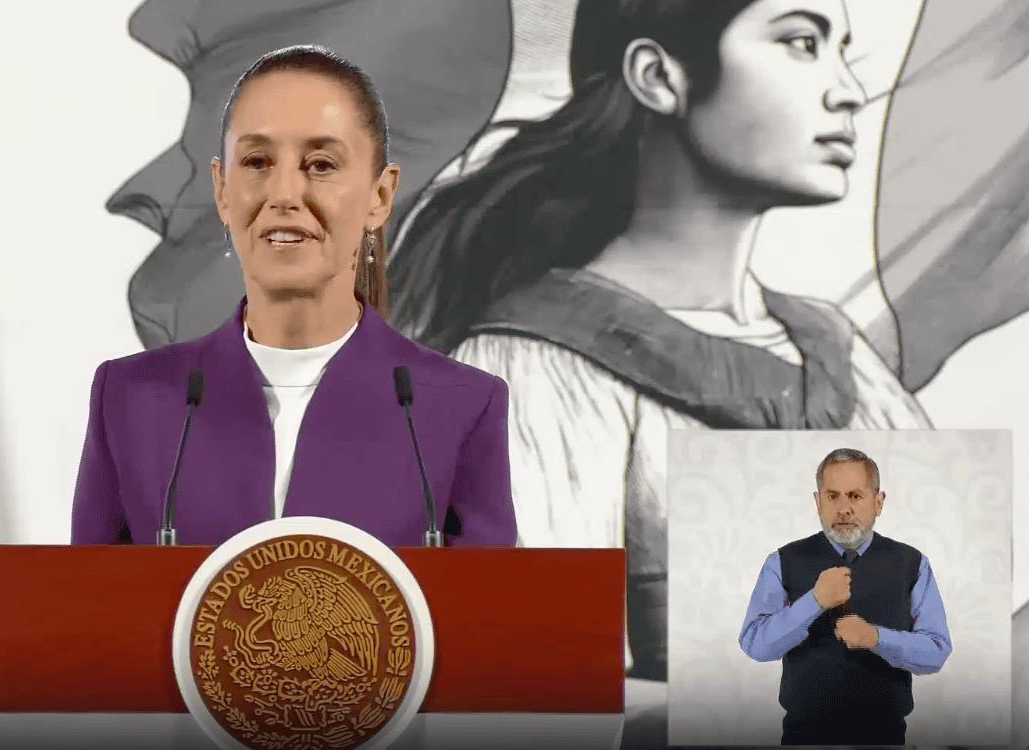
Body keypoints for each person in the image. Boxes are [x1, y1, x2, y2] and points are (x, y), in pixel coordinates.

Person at [388, 0, 930, 712]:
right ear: (657, 75)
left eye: (842, 50)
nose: (849, 90)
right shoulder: (529, 366)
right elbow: (531, 696)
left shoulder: (843, 355)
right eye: (802, 42)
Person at [71, 45, 516, 547]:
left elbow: (486, 598)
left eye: (321, 164)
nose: (284, 193)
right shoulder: (130, 400)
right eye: (257, 161)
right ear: (221, 189)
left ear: (380, 196)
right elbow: (89, 596)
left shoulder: (459, 408)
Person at [739, 448, 951, 745]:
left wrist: (876, 638)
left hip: (886, 737)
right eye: (832, 496)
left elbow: (936, 651)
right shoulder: (782, 561)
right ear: (818, 502)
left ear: (878, 502)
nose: (843, 509)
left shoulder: (912, 564)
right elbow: (755, 644)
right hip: (804, 737)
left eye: (855, 496)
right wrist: (814, 601)